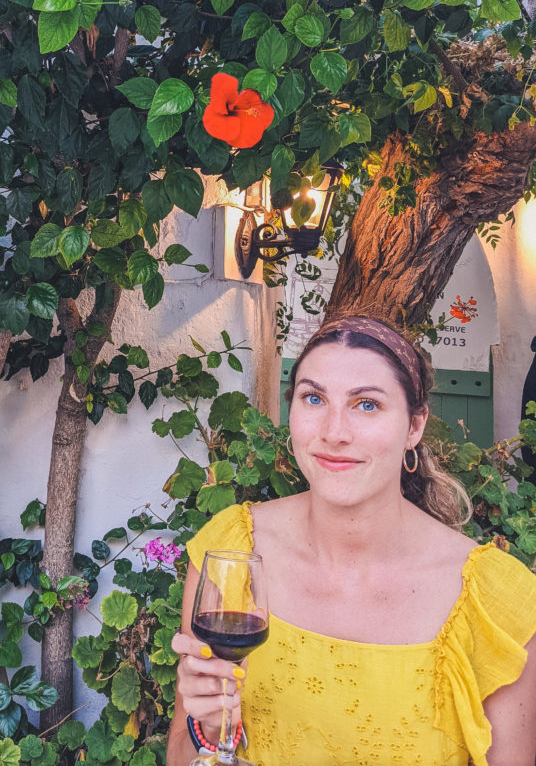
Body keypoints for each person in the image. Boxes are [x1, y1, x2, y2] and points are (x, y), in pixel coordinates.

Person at [168, 315, 536, 766]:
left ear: (415, 426)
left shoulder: (495, 602)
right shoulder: (232, 550)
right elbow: (183, 756)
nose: (334, 432)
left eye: (366, 405)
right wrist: (207, 728)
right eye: (314, 398)